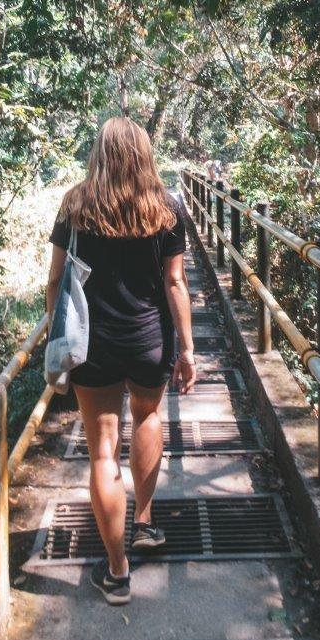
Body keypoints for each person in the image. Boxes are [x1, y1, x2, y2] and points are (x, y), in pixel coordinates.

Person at [46, 116, 197, 605]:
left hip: (93, 346)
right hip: (150, 339)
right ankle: (145, 523)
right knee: (148, 417)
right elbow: (175, 284)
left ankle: (116, 573)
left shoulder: (75, 204)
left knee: (103, 452)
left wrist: (59, 336)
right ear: (143, 154)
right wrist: (188, 349)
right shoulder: (166, 207)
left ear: (101, 153)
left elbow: (54, 281)